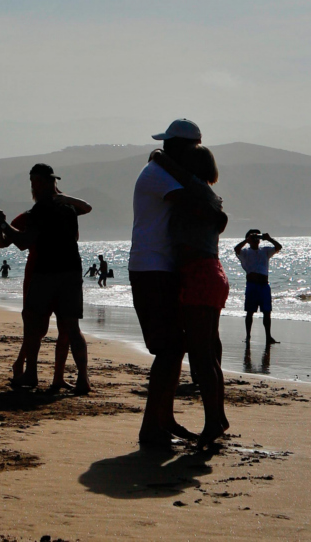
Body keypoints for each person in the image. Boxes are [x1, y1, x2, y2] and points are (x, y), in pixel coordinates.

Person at [151, 145, 230, 449]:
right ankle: (217, 418)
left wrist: (160, 157)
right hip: (210, 272)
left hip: (199, 273)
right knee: (207, 353)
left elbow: (180, 173)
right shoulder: (210, 197)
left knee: (201, 355)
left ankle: (213, 421)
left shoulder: (197, 191)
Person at [128, 118, 201, 447]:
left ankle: (161, 419)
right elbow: (196, 203)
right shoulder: (158, 174)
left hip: (160, 268)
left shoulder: (163, 170)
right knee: (170, 348)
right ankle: (153, 425)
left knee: (173, 348)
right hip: (151, 269)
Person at [0, 163, 91, 395]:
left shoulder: (38, 213)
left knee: (34, 326)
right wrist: (64, 197)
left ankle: (31, 373)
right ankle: (83, 379)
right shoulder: (68, 208)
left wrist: (2, 225)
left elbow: (23, 242)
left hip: (45, 273)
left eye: (35, 182)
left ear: (40, 183)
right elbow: (87, 207)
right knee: (72, 328)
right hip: (71, 272)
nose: (33, 186)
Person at [235, 230, 283, 345]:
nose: (256, 240)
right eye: (253, 237)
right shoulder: (245, 252)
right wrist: (247, 240)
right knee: (250, 312)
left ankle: (268, 336)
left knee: (267, 312)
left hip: (264, 285)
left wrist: (269, 238)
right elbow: (236, 249)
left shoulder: (265, 251)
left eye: (257, 237)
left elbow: (278, 247)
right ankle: (248, 336)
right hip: (252, 285)